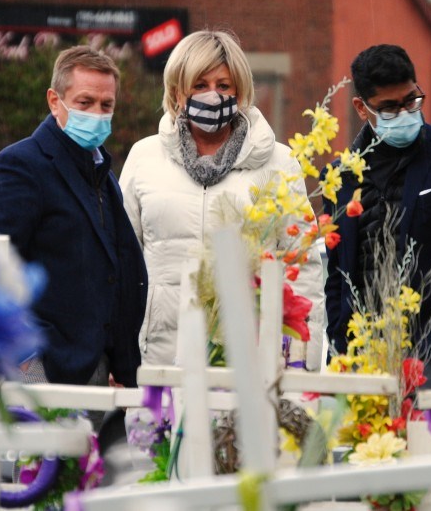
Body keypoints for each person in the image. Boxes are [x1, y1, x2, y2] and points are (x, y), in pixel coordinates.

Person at [323, 44, 431, 462]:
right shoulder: (342, 174)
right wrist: (340, 334)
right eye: (389, 107)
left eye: (411, 100)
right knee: (367, 482)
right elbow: (336, 266)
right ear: (361, 107)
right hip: (364, 359)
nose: (404, 113)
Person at [119, 30, 326, 369]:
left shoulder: (278, 162)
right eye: (199, 85)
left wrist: (302, 364)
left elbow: (302, 269)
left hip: (249, 362)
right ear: (177, 91)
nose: (213, 96)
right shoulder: (144, 157)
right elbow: (122, 260)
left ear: (240, 91)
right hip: (157, 359)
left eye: (223, 85)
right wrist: (119, 354)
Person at [0, 46, 147, 392]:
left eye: (106, 105)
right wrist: (32, 379)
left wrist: (121, 363)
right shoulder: (20, 167)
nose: (97, 114)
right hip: (46, 378)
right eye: (85, 103)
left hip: (101, 378)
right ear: (55, 101)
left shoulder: (101, 173)